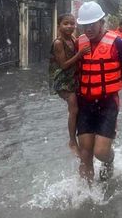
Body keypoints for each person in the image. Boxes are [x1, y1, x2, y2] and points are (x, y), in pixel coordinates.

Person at [75, 1, 122, 182]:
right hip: (85, 103)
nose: (88, 29)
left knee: (100, 152)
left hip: (107, 103)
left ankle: (110, 160)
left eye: (92, 24)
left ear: (101, 23)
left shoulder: (117, 42)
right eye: (84, 25)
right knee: (85, 153)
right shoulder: (79, 43)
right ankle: (87, 196)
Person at [49, 14, 90, 157]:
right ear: (59, 25)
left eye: (72, 24)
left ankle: (83, 134)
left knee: (79, 107)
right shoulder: (58, 43)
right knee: (73, 106)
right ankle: (72, 141)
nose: (70, 26)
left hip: (74, 78)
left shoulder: (73, 39)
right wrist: (79, 54)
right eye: (66, 24)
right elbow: (64, 65)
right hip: (62, 79)